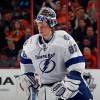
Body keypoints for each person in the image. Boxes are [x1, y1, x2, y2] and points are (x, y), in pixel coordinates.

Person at [18, 7, 93, 100]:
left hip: (68, 83)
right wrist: (29, 84)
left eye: (44, 25)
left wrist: (68, 88)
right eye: (38, 24)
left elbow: (76, 66)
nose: (40, 28)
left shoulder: (64, 39)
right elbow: (27, 71)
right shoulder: (30, 44)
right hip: (46, 89)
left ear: (51, 25)